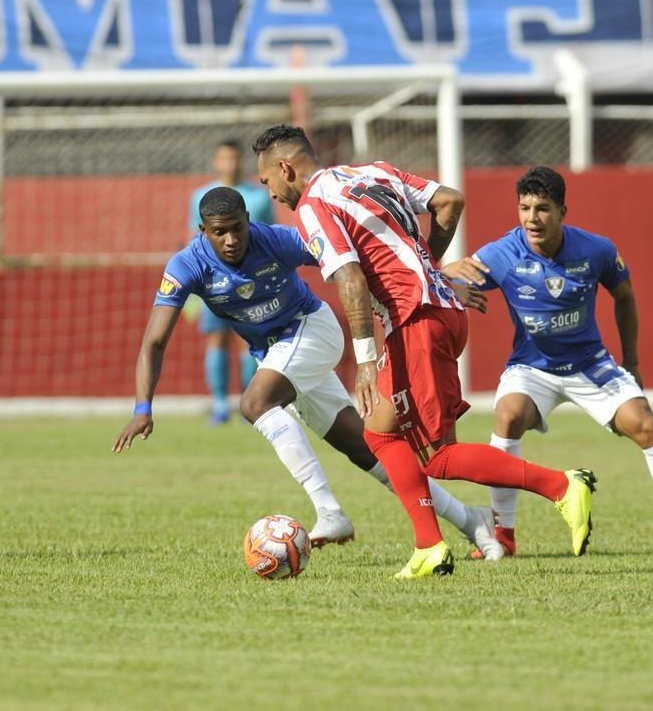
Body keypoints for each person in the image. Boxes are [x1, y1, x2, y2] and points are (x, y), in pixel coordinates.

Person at [252, 124, 595, 579]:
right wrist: (429, 269)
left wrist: (366, 360)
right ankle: (429, 546)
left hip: (416, 322)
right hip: (441, 310)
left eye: (267, 182)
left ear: (285, 168)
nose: (271, 193)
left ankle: (561, 486)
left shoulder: (315, 205)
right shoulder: (370, 172)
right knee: (380, 434)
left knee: (437, 456)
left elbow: (350, 278)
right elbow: (449, 199)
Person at [113, 187, 503, 557]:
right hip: (277, 354)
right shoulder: (187, 265)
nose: (231, 239)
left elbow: (355, 259)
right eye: (220, 232)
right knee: (366, 450)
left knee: (255, 402)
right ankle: (471, 519)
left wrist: (434, 275)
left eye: (237, 228)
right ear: (203, 232)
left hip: (311, 328)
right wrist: (142, 408)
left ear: (248, 220)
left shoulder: (277, 239)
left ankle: (330, 512)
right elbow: (154, 341)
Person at [442, 166, 653, 558]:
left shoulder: (596, 250)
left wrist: (631, 361)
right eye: (524, 208)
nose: (531, 218)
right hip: (532, 368)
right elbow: (447, 278)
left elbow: (625, 296)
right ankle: (503, 536)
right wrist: (448, 276)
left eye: (542, 208)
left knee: (645, 426)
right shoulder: (502, 253)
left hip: (590, 365)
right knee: (508, 417)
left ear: (562, 210)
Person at [188, 139, 275, 425]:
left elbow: (270, 237)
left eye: (235, 158)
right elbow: (195, 242)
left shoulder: (259, 197)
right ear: (216, 161)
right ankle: (220, 406)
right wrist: (192, 289)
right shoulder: (201, 196)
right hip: (213, 285)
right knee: (217, 340)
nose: (230, 164)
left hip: (252, 284)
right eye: (224, 158)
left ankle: (248, 403)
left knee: (249, 342)